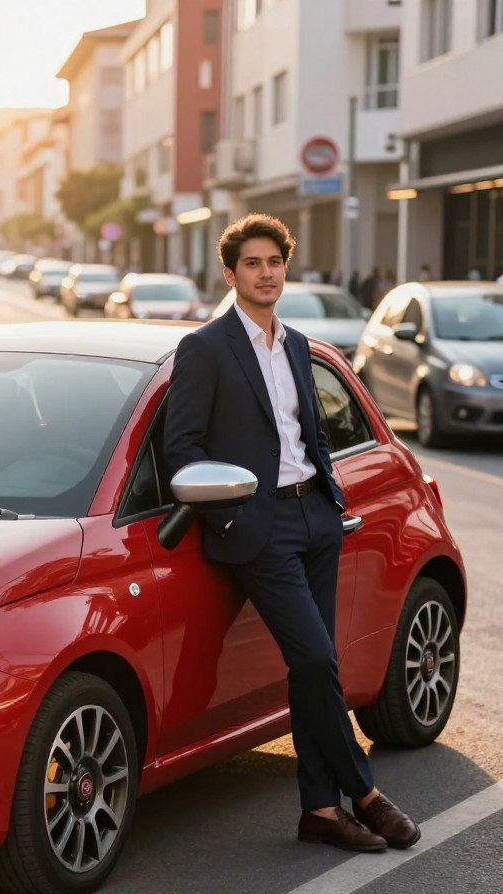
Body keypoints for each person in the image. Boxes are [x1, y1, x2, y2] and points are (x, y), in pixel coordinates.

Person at [162, 213, 420, 854]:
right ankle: (364, 794)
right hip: (259, 524)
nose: (266, 273)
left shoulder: (299, 345)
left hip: (315, 518)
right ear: (230, 273)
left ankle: (319, 812)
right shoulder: (207, 348)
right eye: (252, 263)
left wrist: (330, 500)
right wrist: (232, 514)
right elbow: (182, 450)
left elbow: (313, 435)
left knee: (314, 671)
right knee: (314, 659)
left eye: (274, 262)